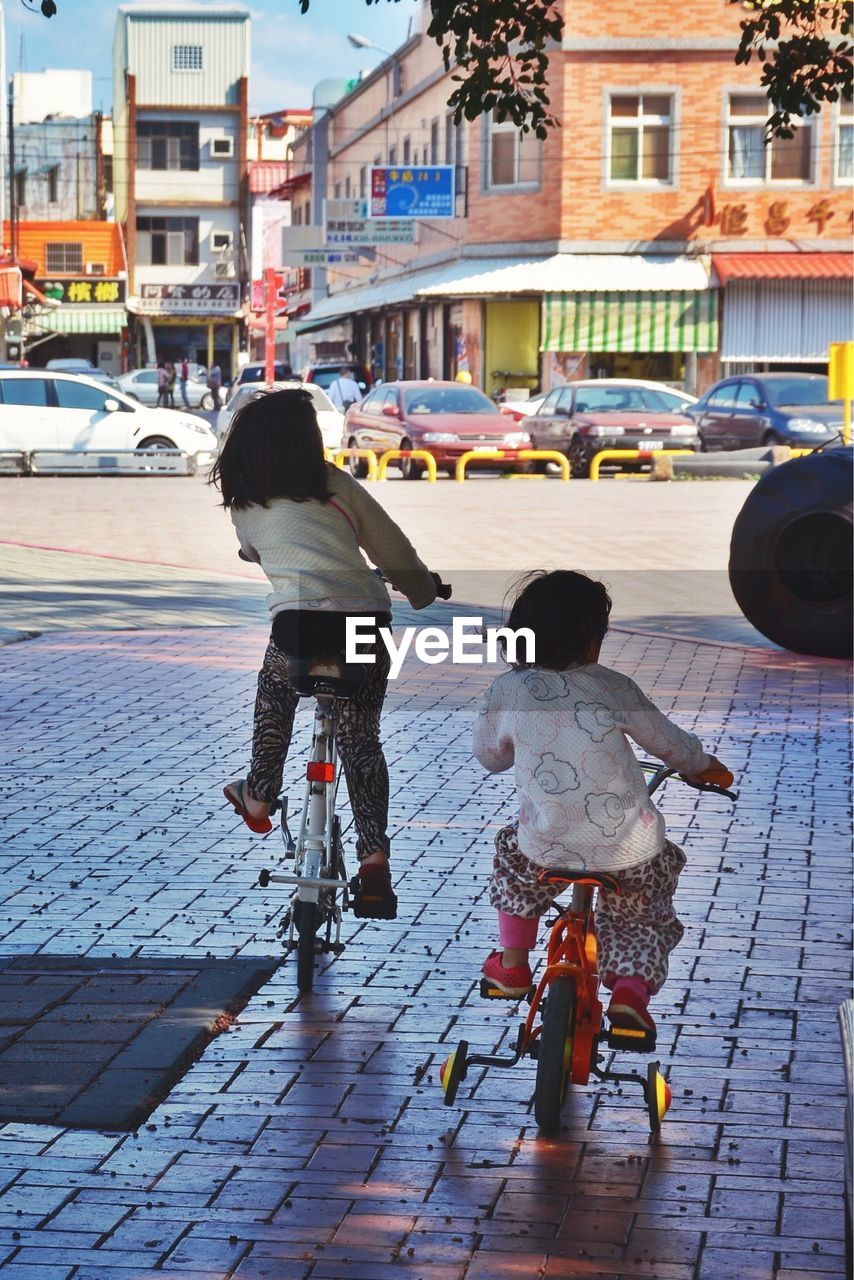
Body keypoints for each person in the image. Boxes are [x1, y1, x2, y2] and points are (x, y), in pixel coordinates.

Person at [210, 387, 438, 919]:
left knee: (276, 692)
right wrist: (424, 590)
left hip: (297, 628)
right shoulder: (336, 484)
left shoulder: (247, 501)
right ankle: (375, 858)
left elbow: (252, 549)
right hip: (363, 621)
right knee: (361, 738)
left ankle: (260, 792)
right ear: (308, 441)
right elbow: (394, 551)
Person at [472, 570, 732, 1034]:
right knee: (643, 914)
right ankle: (630, 994)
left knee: (512, 859)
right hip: (630, 852)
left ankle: (512, 963)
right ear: (592, 640)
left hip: (545, 847)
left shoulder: (507, 691)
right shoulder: (613, 685)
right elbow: (668, 743)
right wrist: (702, 764)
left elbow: (490, 757)